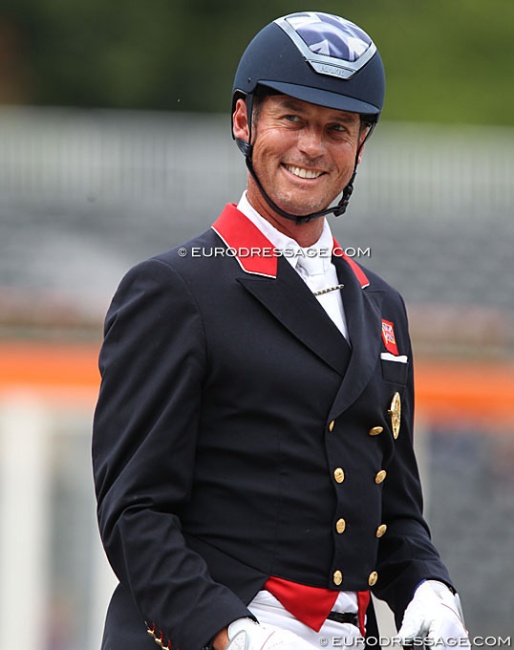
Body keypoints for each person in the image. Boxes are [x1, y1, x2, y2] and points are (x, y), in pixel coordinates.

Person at [92, 11, 470, 650]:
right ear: (244, 122)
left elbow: (394, 511)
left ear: (359, 145)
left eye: (337, 129)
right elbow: (135, 515)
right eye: (292, 119)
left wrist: (429, 589)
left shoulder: (383, 307)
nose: (313, 147)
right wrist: (234, 634)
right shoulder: (175, 290)